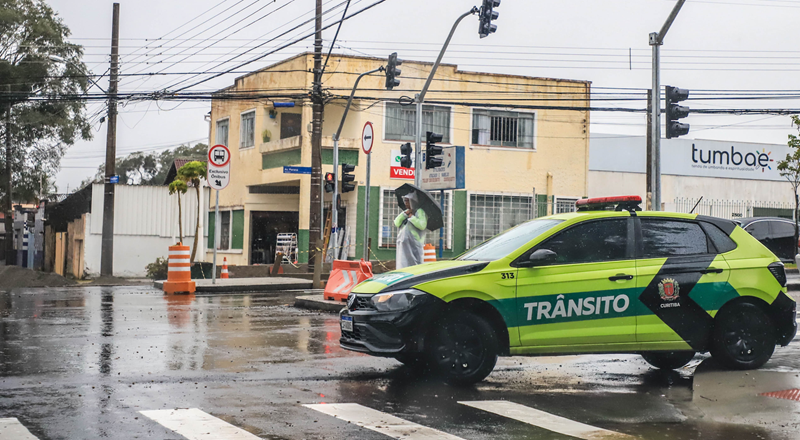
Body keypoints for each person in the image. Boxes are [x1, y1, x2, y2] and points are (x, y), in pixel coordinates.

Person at [394, 192, 427, 269]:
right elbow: (396, 222)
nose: (406, 203)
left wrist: (412, 217)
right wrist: (405, 214)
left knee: (415, 265)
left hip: (414, 245)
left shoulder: (420, 212)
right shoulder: (406, 211)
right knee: (403, 265)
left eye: (407, 201)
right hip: (403, 244)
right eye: (405, 200)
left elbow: (422, 226)